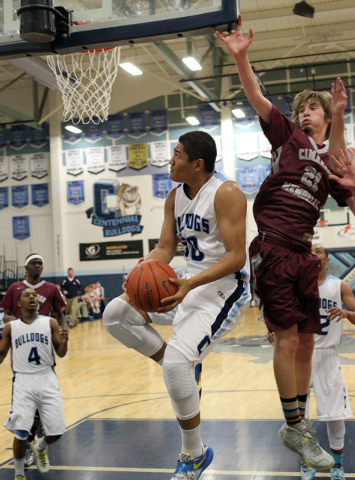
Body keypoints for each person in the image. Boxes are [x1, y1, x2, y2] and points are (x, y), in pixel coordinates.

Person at [213, 15, 355, 469]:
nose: (307, 112)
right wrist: (241, 57)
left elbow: (348, 188)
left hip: (303, 254)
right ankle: (295, 426)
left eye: (315, 108)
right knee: (289, 340)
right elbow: (256, 95)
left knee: (309, 341)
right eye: (305, 108)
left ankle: (299, 425)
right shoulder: (287, 137)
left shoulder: (335, 162)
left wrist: (339, 120)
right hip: (272, 245)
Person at [103, 130, 250, 480]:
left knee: (175, 366)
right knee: (115, 314)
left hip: (222, 289)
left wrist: (190, 284)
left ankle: (194, 453)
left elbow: (235, 257)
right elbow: (165, 248)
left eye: (177, 154)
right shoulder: (174, 196)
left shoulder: (226, 193)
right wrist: (140, 269)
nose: (170, 159)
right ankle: (182, 363)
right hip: (186, 282)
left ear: (197, 164)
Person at [0, 253, 67, 467]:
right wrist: (24, 323)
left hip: (45, 346)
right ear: (26, 266)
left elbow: (61, 313)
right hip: (24, 347)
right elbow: (6, 315)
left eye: (40, 263)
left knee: (42, 408)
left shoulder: (51, 289)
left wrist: (64, 331)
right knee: (26, 411)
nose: (37, 266)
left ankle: (38, 441)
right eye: (34, 263)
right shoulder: (15, 288)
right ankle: (28, 448)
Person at [301, 244, 355, 480]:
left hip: (327, 355)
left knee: (335, 415)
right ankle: (306, 461)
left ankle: (338, 465)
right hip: (300, 355)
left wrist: (346, 313)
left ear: (326, 261)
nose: (314, 253)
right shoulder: (297, 286)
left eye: (319, 251)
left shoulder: (339, 285)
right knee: (298, 415)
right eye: (310, 251)